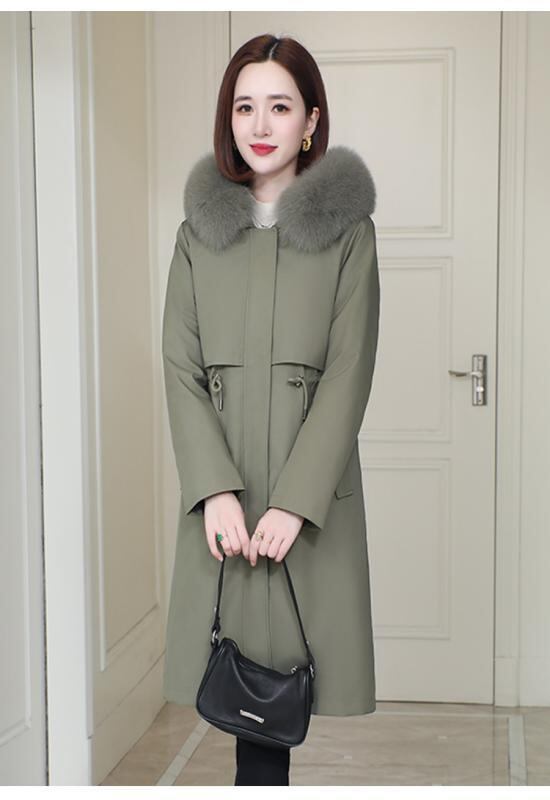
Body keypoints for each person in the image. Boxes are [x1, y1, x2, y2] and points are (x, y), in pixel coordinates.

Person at [161, 33, 380, 787]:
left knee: (280, 697)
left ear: (311, 121)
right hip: (222, 500)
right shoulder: (197, 236)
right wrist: (214, 488)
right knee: (238, 691)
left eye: (280, 107)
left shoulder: (348, 234)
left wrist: (293, 501)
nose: (259, 125)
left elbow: (349, 371)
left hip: (303, 501)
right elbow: (181, 368)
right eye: (244, 106)